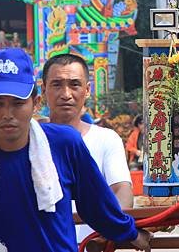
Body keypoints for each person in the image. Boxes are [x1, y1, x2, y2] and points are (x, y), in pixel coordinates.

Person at [0, 48, 151, 252]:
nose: (7, 114)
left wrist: (130, 233)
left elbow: (96, 205)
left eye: (17, 103)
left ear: (35, 103)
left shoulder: (64, 143)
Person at [42, 53, 133, 242]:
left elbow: (121, 191)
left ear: (87, 89)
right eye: (57, 84)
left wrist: (111, 232)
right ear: (43, 90)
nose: (66, 94)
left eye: (74, 84)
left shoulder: (106, 139)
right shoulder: (29, 141)